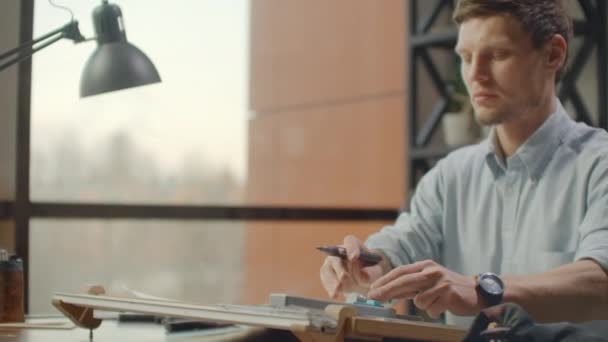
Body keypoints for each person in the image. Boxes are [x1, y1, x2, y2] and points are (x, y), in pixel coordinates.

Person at [319, 0, 608, 331]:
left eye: (497, 55)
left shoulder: (600, 165)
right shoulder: (449, 176)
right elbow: (404, 240)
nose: (475, 74)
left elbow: (601, 282)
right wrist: (372, 264)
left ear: (554, 55)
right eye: (466, 57)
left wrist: (482, 289)